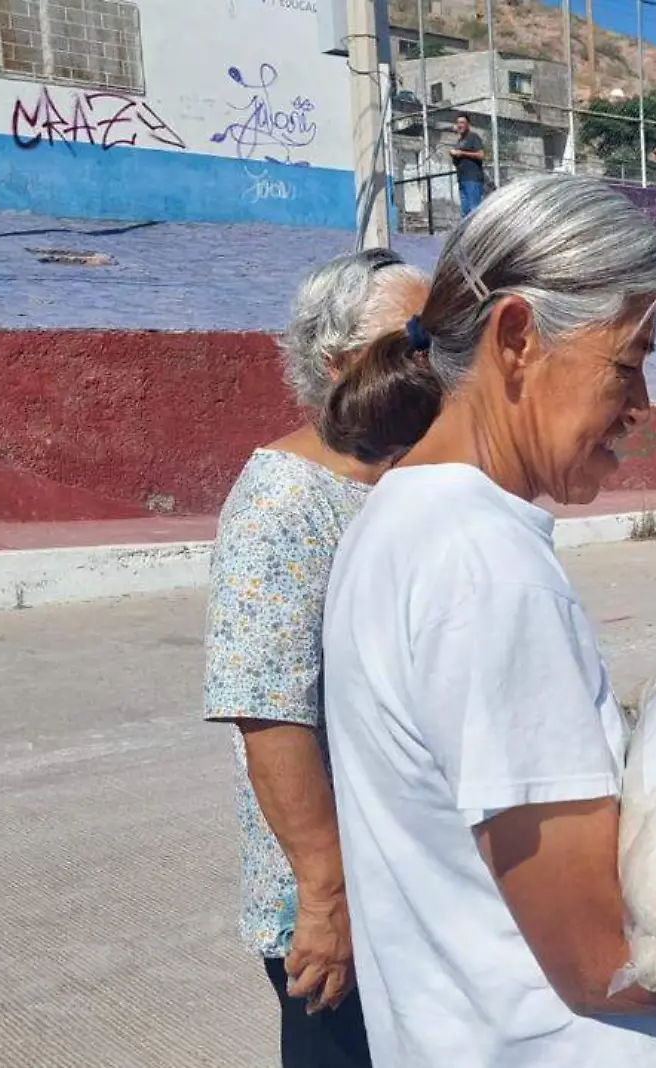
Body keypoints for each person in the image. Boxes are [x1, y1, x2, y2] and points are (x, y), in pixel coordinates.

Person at [318, 173, 656, 1068]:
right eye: (630, 360)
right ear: (516, 338)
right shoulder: (488, 569)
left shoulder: (394, 520)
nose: (644, 401)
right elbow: (603, 959)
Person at [203, 248, 430, 1068]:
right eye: (414, 341)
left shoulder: (403, 480)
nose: (435, 361)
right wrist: (325, 898)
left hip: (409, 883)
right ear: (337, 363)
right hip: (335, 897)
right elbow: (268, 714)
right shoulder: (284, 498)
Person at [448, 115, 487, 218]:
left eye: (462, 123)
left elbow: (481, 155)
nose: (460, 125)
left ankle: (477, 233)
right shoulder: (459, 141)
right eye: (458, 123)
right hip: (462, 180)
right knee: (465, 213)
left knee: (474, 210)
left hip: (473, 179)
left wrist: (462, 153)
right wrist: (454, 156)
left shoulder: (473, 137)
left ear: (468, 125)